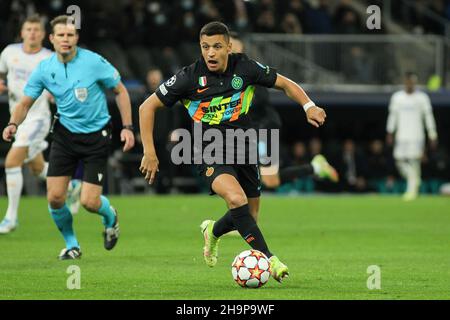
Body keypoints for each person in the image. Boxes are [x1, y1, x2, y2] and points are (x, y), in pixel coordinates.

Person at [139, 21, 327, 282]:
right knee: (237, 200)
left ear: (229, 47)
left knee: (249, 216)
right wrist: (149, 152)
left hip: (245, 146)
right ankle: (270, 260)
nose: (211, 53)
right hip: (209, 149)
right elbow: (146, 107)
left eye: (217, 46)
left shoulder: (246, 67)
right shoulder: (188, 77)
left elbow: (285, 83)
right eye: (205, 47)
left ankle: (213, 231)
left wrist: (309, 106)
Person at [2, 15, 135, 259]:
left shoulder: (94, 62)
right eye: (61, 35)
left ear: (77, 38)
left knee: (89, 202)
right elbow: (24, 102)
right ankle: (72, 245)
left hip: (96, 136)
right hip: (64, 135)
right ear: (52, 39)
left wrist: (127, 126)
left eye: (70, 35)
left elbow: (120, 90)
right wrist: (13, 123)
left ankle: (110, 217)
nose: (66, 39)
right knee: (54, 198)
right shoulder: (44, 68)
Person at [0, 15, 80, 235]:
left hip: (37, 118)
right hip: (17, 115)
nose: (32, 33)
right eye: (28, 29)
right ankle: (72, 186)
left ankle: (11, 217)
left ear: (44, 35)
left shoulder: (49, 58)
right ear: (22, 32)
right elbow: (2, 74)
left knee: (11, 162)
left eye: (36, 30)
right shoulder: (9, 53)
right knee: (37, 169)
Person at [386, 71, 438, 201]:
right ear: (405, 82)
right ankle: (415, 181)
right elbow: (393, 116)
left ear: (415, 83)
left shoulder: (422, 98)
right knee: (399, 160)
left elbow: (428, 116)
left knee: (415, 162)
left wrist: (432, 133)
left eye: (412, 82)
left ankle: (411, 191)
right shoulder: (397, 97)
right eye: (408, 82)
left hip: (416, 136)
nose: (410, 84)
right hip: (402, 136)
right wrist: (390, 131)